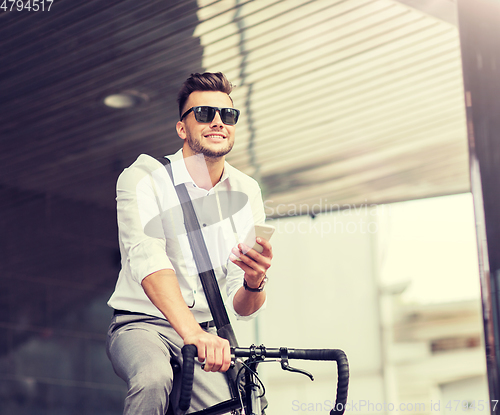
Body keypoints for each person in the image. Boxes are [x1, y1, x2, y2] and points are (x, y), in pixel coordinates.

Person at [106, 72, 272, 415]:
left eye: (227, 115)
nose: (217, 122)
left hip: (208, 333)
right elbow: (150, 262)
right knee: (153, 378)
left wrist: (255, 282)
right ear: (182, 127)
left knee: (237, 405)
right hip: (143, 324)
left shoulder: (247, 190)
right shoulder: (142, 178)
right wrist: (192, 334)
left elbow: (242, 308)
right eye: (203, 114)